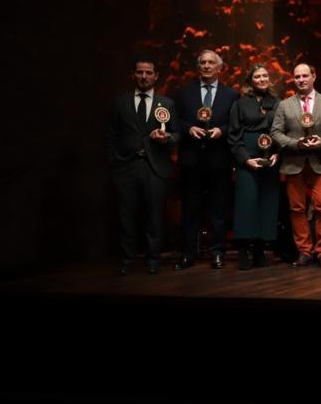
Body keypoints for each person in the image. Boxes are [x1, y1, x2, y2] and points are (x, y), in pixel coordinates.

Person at [108, 58, 179, 275]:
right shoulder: (120, 103)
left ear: (156, 75)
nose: (144, 76)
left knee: (154, 215)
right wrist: (115, 162)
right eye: (140, 72)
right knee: (126, 216)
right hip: (126, 166)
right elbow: (111, 135)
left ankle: (153, 260)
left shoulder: (166, 104)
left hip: (155, 167)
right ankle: (128, 260)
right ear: (134, 75)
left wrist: (166, 138)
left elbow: (176, 135)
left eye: (149, 72)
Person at [174, 49, 239, 270]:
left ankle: (218, 253)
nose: (207, 66)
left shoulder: (231, 95)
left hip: (219, 159)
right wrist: (188, 128)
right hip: (191, 159)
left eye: (212, 62)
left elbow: (236, 125)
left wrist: (222, 130)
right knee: (190, 209)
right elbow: (174, 122)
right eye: (203, 62)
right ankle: (187, 253)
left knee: (218, 210)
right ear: (198, 66)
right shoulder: (184, 93)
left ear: (219, 67)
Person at [270, 62, 321, 268]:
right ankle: (304, 251)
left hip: (320, 163)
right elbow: (275, 133)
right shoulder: (284, 105)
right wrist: (295, 143)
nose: (301, 80)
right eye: (297, 77)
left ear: (313, 76)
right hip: (293, 163)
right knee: (296, 209)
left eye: (305, 76)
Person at [228, 65, 281, 270]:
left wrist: (278, 153)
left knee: (267, 202)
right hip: (247, 159)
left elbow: (282, 130)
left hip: (271, 159)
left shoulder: (277, 103)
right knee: (246, 203)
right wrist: (244, 159)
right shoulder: (240, 104)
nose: (262, 79)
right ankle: (243, 249)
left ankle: (260, 248)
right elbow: (233, 135)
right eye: (257, 76)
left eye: (265, 76)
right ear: (250, 81)